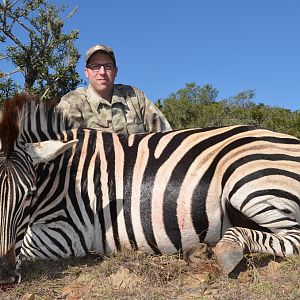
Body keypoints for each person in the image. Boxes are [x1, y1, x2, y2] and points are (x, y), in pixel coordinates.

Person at [57, 44, 172, 134]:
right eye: (96, 66)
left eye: (108, 66)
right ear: (86, 72)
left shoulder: (135, 96)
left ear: (115, 71)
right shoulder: (71, 102)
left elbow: (165, 136)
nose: (102, 72)